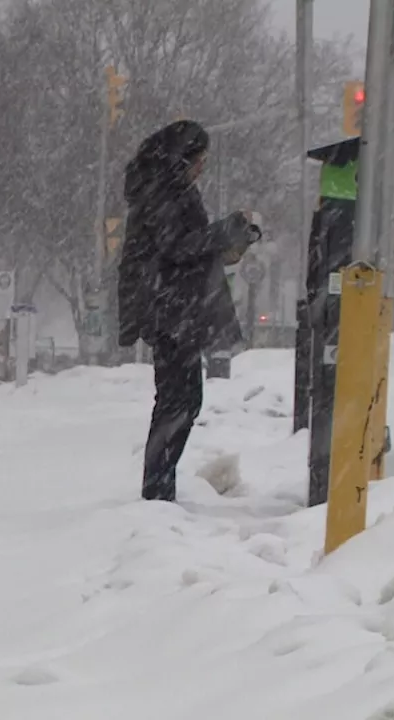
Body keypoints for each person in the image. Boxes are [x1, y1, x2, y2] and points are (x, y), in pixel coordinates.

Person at [118, 120, 262, 502]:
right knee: (177, 402)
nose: (202, 167)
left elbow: (188, 247)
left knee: (180, 401)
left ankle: (160, 489)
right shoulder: (163, 192)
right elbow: (177, 246)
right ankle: (157, 491)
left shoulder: (169, 189)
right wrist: (226, 229)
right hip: (169, 309)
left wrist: (234, 235)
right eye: (199, 160)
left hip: (173, 307)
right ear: (181, 159)